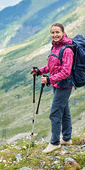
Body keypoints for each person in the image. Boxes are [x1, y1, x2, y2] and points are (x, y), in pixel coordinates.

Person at [31, 22, 74, 153]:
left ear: (63, 33)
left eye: (57, 32)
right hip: (57, 84)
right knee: (65, 111)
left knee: (55, 113)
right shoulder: (55, 47)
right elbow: (52, 67)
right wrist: (39, 71)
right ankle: (66, 138)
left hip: (64, 85)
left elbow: (66, 72)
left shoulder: (67, 50)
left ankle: (55, 142)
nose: (55, 35)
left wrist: (49, 79)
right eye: (53, 33)